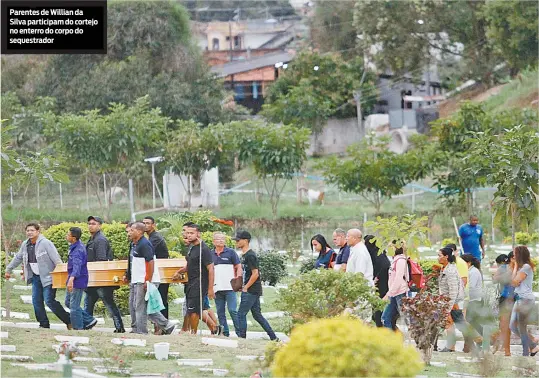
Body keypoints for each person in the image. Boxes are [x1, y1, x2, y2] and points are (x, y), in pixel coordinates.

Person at [5, 223, 72, 330]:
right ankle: (44, 324)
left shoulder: (46, 243)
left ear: (38, 231)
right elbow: (18, 257)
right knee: (36, 301)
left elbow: (57, 260)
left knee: (49, 301)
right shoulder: (25, 244)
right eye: (27, 231)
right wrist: (9, 269)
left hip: (49, 277)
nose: (29, 232)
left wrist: (61, 275)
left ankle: (69, 321)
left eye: (32, 230)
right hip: (36, 277)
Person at [123, 222, 175, 335]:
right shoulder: (134, 244)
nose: (129, 233)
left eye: (132, 230)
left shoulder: (144, 244)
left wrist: (148, 280)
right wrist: (128, 275)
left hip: (144, 280)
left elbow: (150, 262)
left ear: (140, 232)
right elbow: (132, 261)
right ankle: (166, 325)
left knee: (140, 306)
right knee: (137, 306)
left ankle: (141, 331)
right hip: (136, 279)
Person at [172, 224, 218, 334]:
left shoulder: (204, 249)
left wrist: (210, 289)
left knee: (193, 311)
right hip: (190, 283)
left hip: (199, 284)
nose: (188, 235)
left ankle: (193, 334)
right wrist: (179, 271)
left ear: (198, 234)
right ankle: (215, 328)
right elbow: (190, 265)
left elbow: (211, 269)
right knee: (197, 309)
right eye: (187, 233)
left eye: (191, 233)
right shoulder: (191, 247)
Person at [235, 231, 278, 341]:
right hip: (251, 289)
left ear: (245, 240)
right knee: (257, 315)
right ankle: (273, 337)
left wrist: (246, 287)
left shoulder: (250, 255)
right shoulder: (244, 255)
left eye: (238, 240)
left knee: (241, 314)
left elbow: (255, 274)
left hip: (251, 290)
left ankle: (242, 338)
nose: (236, 242)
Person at [438, 247, 482, 353]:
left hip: (452, 301)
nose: (438, 258)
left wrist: (450, 305)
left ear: (446, 256)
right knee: (456, 323)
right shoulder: (445, 268)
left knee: (458, 323)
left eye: (439, 255)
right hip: (449, 301)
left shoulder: (451, 271)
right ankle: (451, 346)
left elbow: (453, 289)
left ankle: (480, 340)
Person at [85, 216, 125, 333]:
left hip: (101, 279)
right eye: (89, 223)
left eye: (93, 223)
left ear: (99, 225)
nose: (90, 225)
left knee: (109, 304)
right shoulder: (92, 239)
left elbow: (101, 260)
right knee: (88, 304)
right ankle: (87, 324)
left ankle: (119, 327)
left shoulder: (100, 240)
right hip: (93, 279)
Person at [65, 227, 97, 330]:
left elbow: (77, 267)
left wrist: (71, 280)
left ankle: (78, 328)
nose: (66, 236)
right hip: (73, 278)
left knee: (74, 306)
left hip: (77, 280)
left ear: (73, 238)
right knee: (68, 302)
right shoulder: (74, 246)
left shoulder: (78, 250)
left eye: (68, 234)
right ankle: (88, 320)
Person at [143, 216, 170, 335]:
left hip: (161, 273)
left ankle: (162, 327)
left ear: (153, 225)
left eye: (148, 223)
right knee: (158, 300)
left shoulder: (155, 238)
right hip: (157, 272)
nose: (145, 225)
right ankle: (160, 327)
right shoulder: (150, 237)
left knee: (160, 300)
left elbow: (147, 253)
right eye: (143, 223)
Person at [212, 232, 242, 337]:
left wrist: (238, 280)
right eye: (218, 239)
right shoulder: (211, 254)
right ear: (213, 241)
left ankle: (240, 333)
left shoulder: (231, 252)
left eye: (223, 239)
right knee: (220, 313)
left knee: (233, 310)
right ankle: (225, 333)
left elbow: (238, 266)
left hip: (230, 288)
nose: (221, 240)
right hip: (217, 288)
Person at [510, 245, 537, 356]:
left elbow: (514, 282)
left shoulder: (526, 267)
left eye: (515, 254)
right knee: (512, 326)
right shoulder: (521, 268)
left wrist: (516, 267)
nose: (513, 256)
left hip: (525, 300)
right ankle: (533, 346)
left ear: (519, 255)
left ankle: (525, 353)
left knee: (521, 327)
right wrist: (516, 266)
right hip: (519, 299)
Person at [365, 235, 392, 328]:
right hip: (379, 285)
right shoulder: (375, 253)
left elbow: (385, 266)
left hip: (382, 286)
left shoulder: (378, 254)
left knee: (378, 312)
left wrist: (377, 277)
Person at [381, 241, 409, 330]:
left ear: (396, 248)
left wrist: (388, 294)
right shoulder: (395, 260)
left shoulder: (400, 260)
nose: (389, 249)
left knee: (407, 319)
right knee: (385, 318)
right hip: (394, 293)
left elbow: (398, 279)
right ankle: (390, 341)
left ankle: (419, 339)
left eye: (391, 247)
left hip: (400, 293)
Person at [493, 253, 514, 356]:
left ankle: (532, 343)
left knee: (515, 324)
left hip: (517, 297)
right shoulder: (504, 268)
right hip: (505, 297)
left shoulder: (522, 268)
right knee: (504, 324)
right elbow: (495, 279)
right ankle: (505, 349)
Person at [460, 254, 484, 336]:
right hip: (471, 298)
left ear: (469, 263)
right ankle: (482, 337)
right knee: (471, 319)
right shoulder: (469, 271)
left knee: (470, 319)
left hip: (475, 299)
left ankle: (485, 335)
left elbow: (471, 286)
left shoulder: (473, 272)